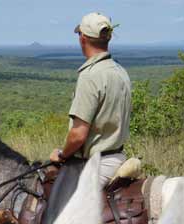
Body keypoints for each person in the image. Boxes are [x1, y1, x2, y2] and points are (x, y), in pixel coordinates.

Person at [49, 12, 131, 186]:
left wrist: (62, 154)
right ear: (107, 39)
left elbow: (78, 135)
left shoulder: (90, 76)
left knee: (57, 209)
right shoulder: (120, 71)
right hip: (118, 157)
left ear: (83, 38)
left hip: (97, 165)